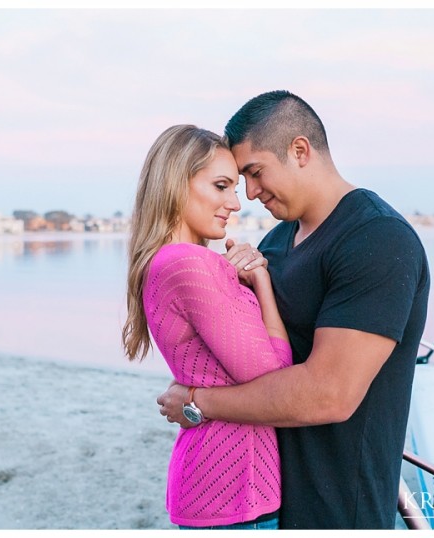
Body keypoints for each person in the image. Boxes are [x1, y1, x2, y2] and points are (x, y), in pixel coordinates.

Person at [156, 91, 431, 529]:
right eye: (239, 179)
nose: (249, 192)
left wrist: (197, 402)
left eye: (255, 172)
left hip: (339, 510)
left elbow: (330, 394)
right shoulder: (275, 243)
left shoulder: (377, 240)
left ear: (300, 150)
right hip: (263, 502)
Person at [122, 124, 293, 529]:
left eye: (234, 188)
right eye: (221, 186)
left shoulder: (164, 263)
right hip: (233, 491)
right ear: (176, 184)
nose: (235, 203)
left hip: (220, 485)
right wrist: (262, 283)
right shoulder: (189, 263)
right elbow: (275, 378)